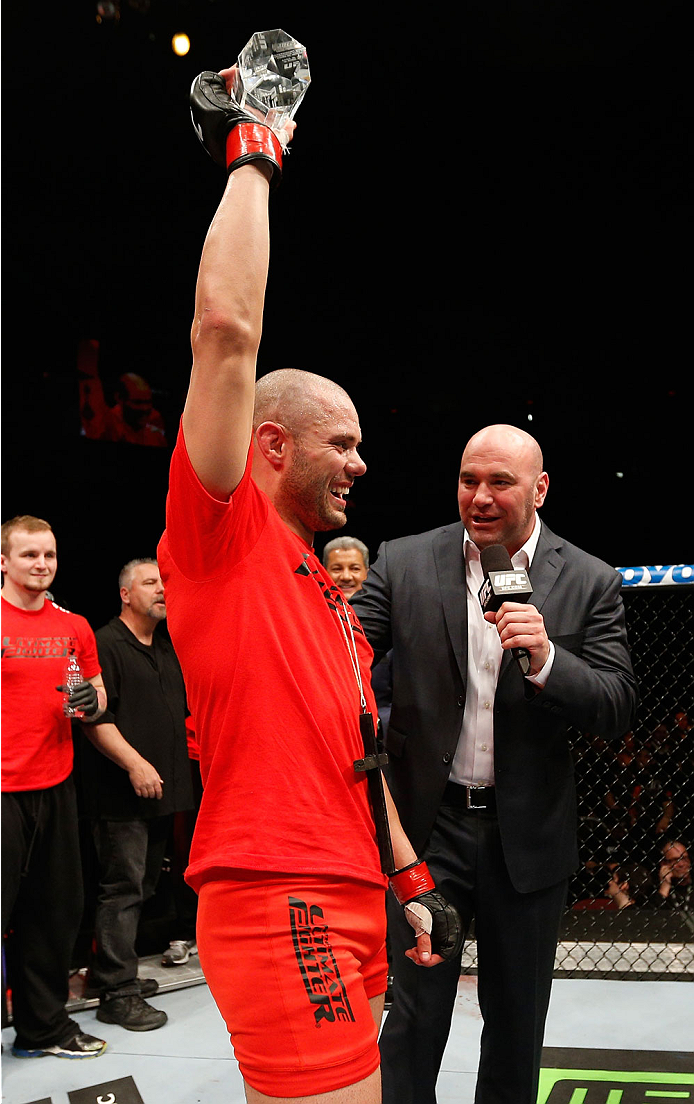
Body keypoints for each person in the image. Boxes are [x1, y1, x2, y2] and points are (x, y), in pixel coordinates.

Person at [156, 66, 461, 1102]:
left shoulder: (335, 605)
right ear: (272, 445)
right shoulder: (222, 533)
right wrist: (254, 153)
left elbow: (357, 766)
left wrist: (405, 874)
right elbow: (226, 334)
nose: (363, 464)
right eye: (344, 444)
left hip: (348, 887)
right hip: (276, 889)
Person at [352, 423, 639, 1104]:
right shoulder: (405, 560)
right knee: (414, 1016)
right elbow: (344, 655)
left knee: (516, 1024)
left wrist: (547, 660)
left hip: (529, 839)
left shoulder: (590, 579)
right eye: (467, 479)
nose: (478, 497)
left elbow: (617, 705)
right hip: (427, 831)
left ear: (538, 489)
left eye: (499, 482)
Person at [1, 515, 108, 1059]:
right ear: (4, 561)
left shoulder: (72, 627)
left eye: (49, 555)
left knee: (52, 914)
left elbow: (90, 691)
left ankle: (42, 1031)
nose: (41, 565)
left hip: (56, 786)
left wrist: (89, 701)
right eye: (29, 556)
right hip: (1, 791)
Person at [77, 558, 194, 1031]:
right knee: (123, 890)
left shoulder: (166, 645)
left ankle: (111, 974)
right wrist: (135, 764)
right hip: (121, 793)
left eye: (165, 582)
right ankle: (117, 994)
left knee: (143, 887)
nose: (162, 590)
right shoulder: (104, 644)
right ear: (125, 593)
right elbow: (91, 719)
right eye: (151, 583)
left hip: (162, 792)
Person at [323, 535, 370, 600]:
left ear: (367, 573)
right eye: (337, 569)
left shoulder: (381, 608)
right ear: (323, 573)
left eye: (355, 569)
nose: (346, 577)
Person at [657, 839, 692, 907]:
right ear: (664, 864)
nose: (681, 864)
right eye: (675, 860)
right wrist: (665, 886)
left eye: (684, 858)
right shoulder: (655, 889)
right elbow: (651, 915)